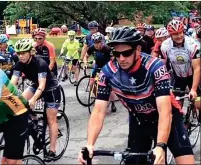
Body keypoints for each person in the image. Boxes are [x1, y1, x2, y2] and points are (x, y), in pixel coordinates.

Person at [78, 26, 195, 164]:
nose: (121, 58)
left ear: (138, 50)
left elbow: (165, 111)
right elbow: (98, 111)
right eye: (116, 53)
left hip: (169, 119)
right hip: (139, 121)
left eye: (127, 53)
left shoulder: (154, 67)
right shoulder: (108, 72)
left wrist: (160, 145)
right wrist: (90, 144)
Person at [11, 38, 60, 160]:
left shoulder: (40, 63)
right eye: (18, 53)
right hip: (35, 85)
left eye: (23, 53)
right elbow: (12, 84)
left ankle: (52, 150)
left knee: (51, 119)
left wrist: (33, 100)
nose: (20, 56)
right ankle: (34, 120)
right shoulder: (19, 64)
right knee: (19, 102)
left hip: (51, 88)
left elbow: (42, 85)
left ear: (31, 52)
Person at [161, 20, 200, 109]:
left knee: (198, 104)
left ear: (183, 31)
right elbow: (162, 66)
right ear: (170, 35)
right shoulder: (165, 45)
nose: (179, 36)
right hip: (178, 78)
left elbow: (197, 68)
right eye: (175, 34)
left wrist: (193, 89)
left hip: (193, 76)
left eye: (180, 33)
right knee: (176, 107)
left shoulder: (192, 44)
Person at [84, 32, 117, 112]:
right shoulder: (92, 48)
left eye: (98, 43)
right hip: (98, 66)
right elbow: (86, 55)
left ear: (101, 42)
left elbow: (113, 59)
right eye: (95, 43)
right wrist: (85, 62)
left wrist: (110, 68)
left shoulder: (107, 49)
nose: (96, 45)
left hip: (106, 66)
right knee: (92, 82)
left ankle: (112, 103)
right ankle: (97, 97)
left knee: (109, 87)